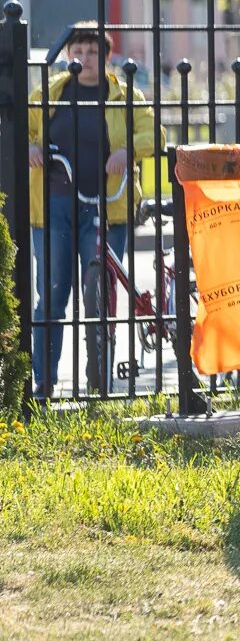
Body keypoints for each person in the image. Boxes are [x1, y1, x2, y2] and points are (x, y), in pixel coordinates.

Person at [27, 23, 160, 398]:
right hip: (54, 206)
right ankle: (44, 381)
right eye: (78, 51)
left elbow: (155, 135)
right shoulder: (48, 93)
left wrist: (127, 149)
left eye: (92, 52)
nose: (84, 59)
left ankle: (99, 379)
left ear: (106, 56)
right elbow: (20, 129)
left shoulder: (124, 94)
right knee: (51, 294)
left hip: (108, 207)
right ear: (68, 55)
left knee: (99, 295)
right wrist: (31, 148)